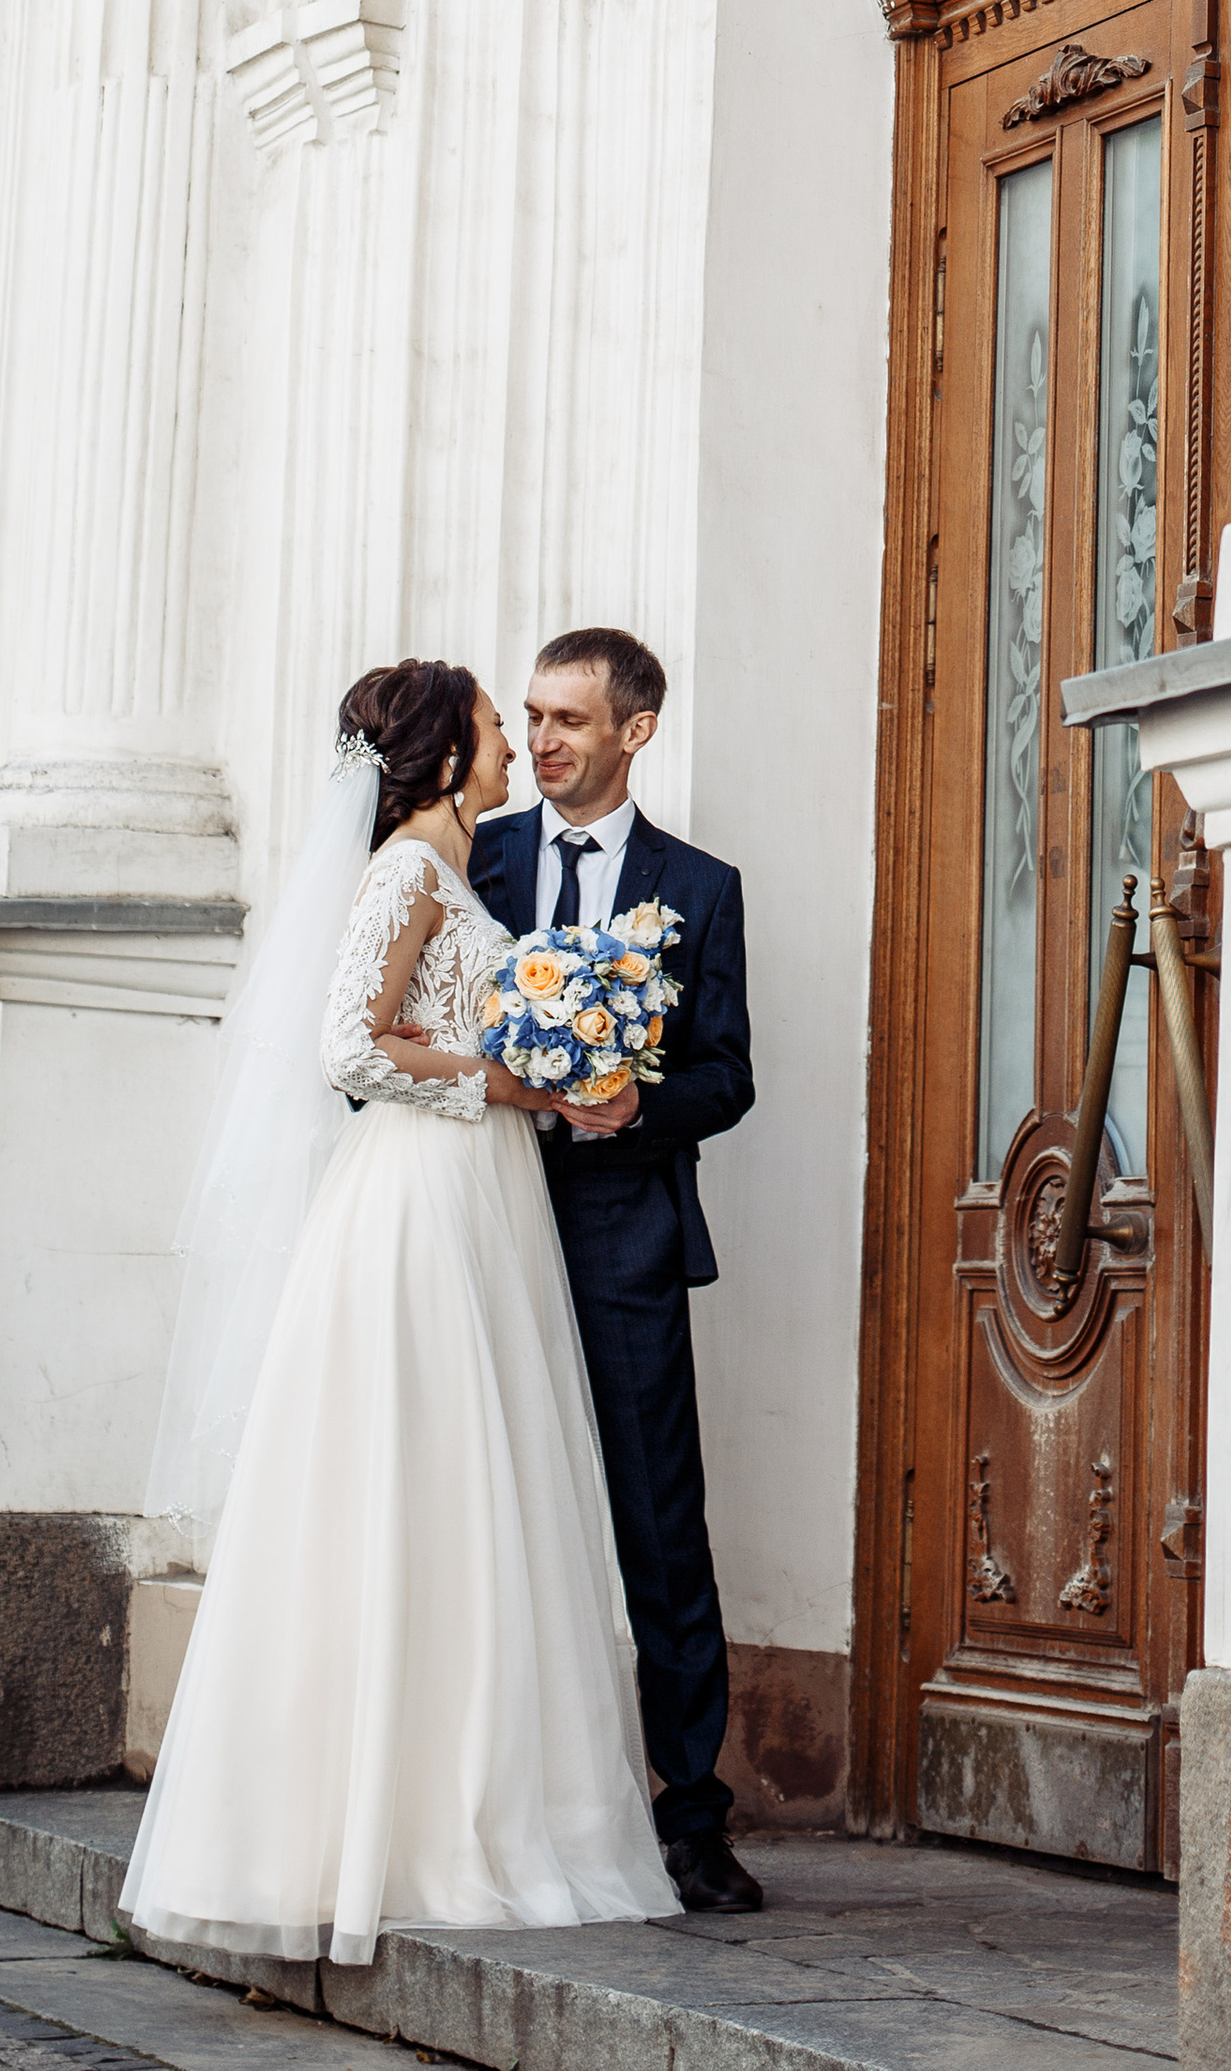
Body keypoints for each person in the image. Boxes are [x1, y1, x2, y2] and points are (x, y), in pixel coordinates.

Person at [119, 659, 679, 1965]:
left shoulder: (451, 876)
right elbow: (350, 1047)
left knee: (473, 1493)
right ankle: (380, 1825)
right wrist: (504, 1084)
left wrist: (567, 1079)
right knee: (418, 1484)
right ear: (440, 754)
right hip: (420, 1200)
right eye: (493, 728)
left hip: (480, 1193)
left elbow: (448, 1043)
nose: (508, 750)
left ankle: (453, 1800)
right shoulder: (407, 876)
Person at [459, 629, 760, 1917]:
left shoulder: (700, 888)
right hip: (479, 1216)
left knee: (658, 1526)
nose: (541, 741)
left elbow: (729, 1078)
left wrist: (638, 1103)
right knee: (486, 1508)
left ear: (635, 731)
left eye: (569, 719)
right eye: (530, 717)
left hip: (624, 1236)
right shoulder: (473, 862)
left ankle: (691, 1818)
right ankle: (500, 1804)